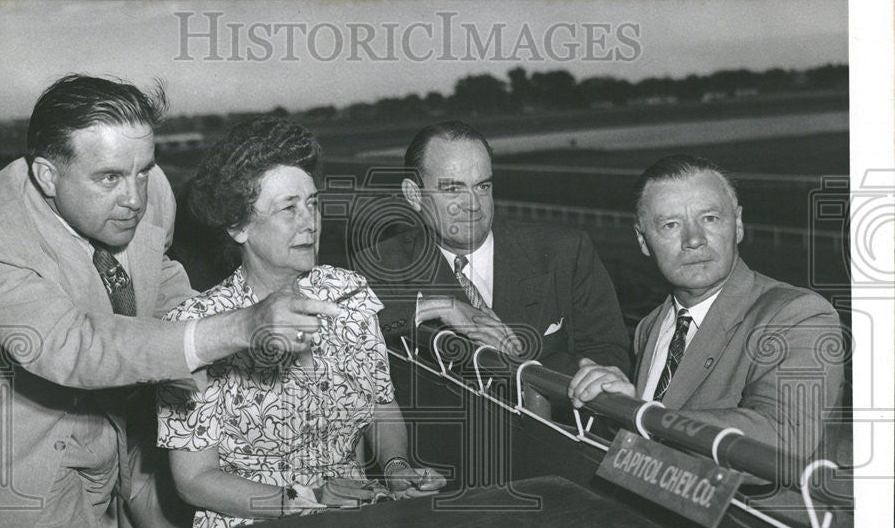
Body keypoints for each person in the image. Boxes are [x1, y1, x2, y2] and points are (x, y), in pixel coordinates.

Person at [0, 75, 339, 528]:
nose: (135, 198)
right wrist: (236, 327)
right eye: (110, 178)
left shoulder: (148, 186)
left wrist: (201, 328)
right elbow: (72, 347)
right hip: (17, 461)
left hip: (119, 427)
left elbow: (158, 272)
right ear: (47, 176)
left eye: (142, 171)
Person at [156, 116, 445, 528]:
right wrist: (309, 499)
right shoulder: (194, 328)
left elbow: (381, 406)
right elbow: (195, 481)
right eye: (289, 208)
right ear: (238, 226)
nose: (309, 221)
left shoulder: (347, 293)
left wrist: (398, 468)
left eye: (313, 202)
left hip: (353, 524)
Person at [568, 155, 844, 462]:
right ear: (643, 241)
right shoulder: (650, 326)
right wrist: (614, 405)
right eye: (671, 225)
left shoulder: (799, 316)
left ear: (738, 224)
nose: (694, 239)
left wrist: (642, 415)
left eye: (710, 219)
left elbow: (783, 437)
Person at [352, 121, 630, 374]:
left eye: (482, 186)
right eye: (452, 189)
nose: (473, 204)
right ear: (413, 195)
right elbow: (341, 326)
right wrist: (440, 307)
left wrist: (523, 371)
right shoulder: (382, 261)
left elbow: (610, 359)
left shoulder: (566, 252)